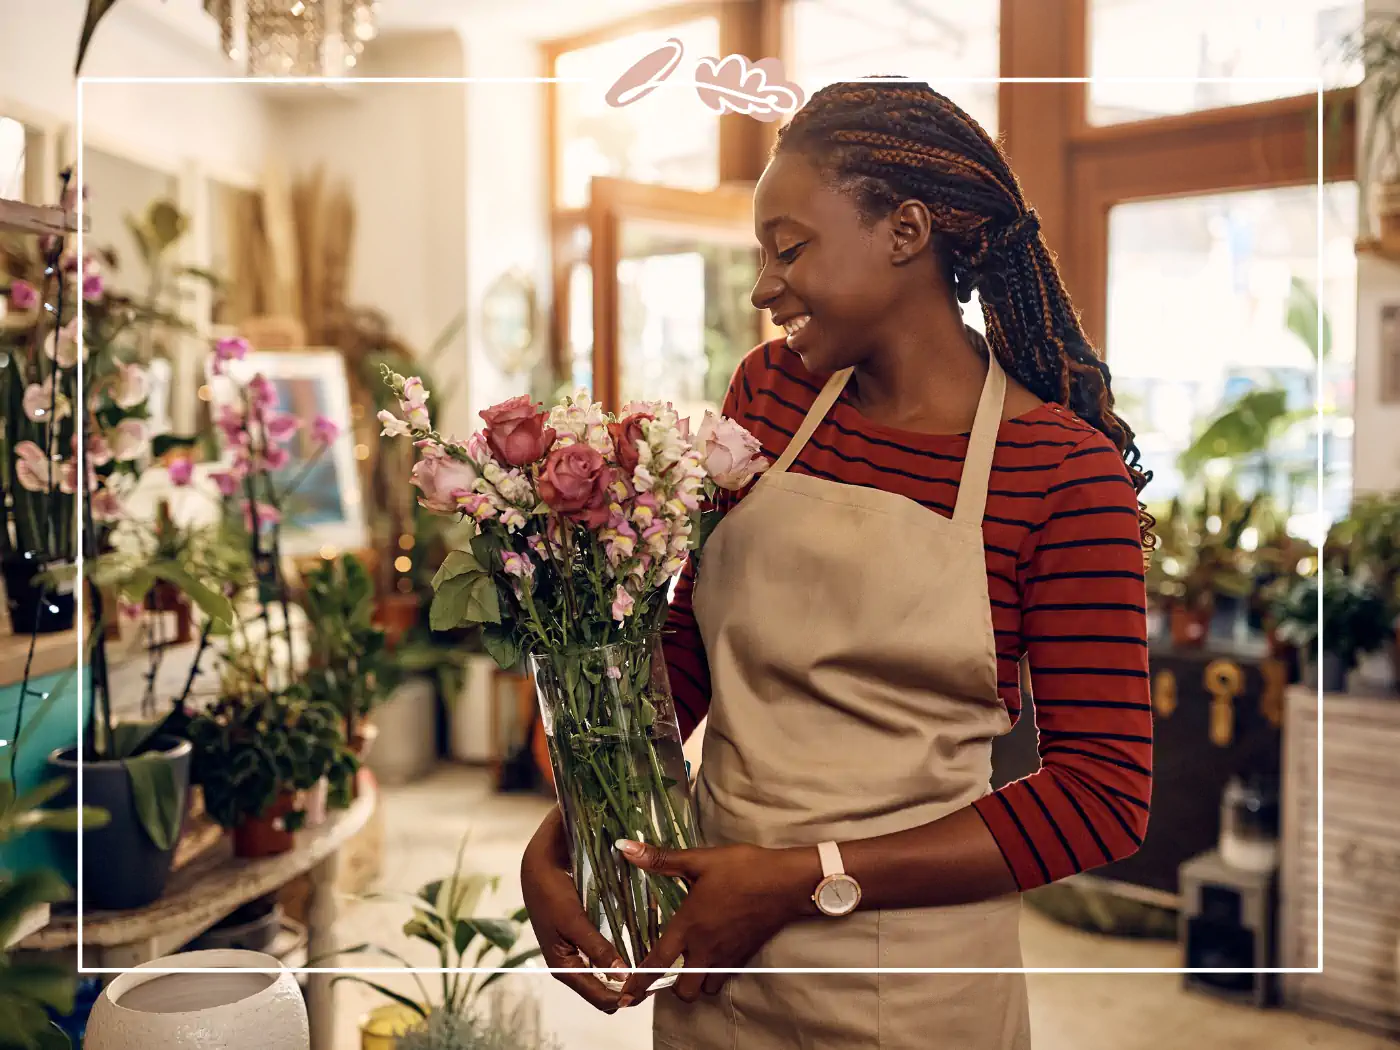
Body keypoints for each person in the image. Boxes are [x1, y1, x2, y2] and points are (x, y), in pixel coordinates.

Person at [520, 79, 1155, 1050]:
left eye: (789, 248)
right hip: (713, 962)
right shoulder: (768, 395)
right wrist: (567, 829)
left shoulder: (1058, 472)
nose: (763, 287)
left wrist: (794, 875)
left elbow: (1100, 798)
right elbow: (690, 645)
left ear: (904, 231)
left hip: (904, 989)